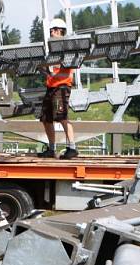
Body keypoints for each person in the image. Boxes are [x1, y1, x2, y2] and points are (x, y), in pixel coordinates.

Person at [38, 18, 78, 160]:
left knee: (61, 116)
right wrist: (44, 70)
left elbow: (66, 71)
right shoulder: (52, 50)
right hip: (52, 87)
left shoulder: (66, 48)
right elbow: (51, 70)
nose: (50, 34)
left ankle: (72, 148)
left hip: (61, 86)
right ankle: (51, 148)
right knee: (46, 118)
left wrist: (52, 73)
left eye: (51, 31)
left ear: (57, 31)